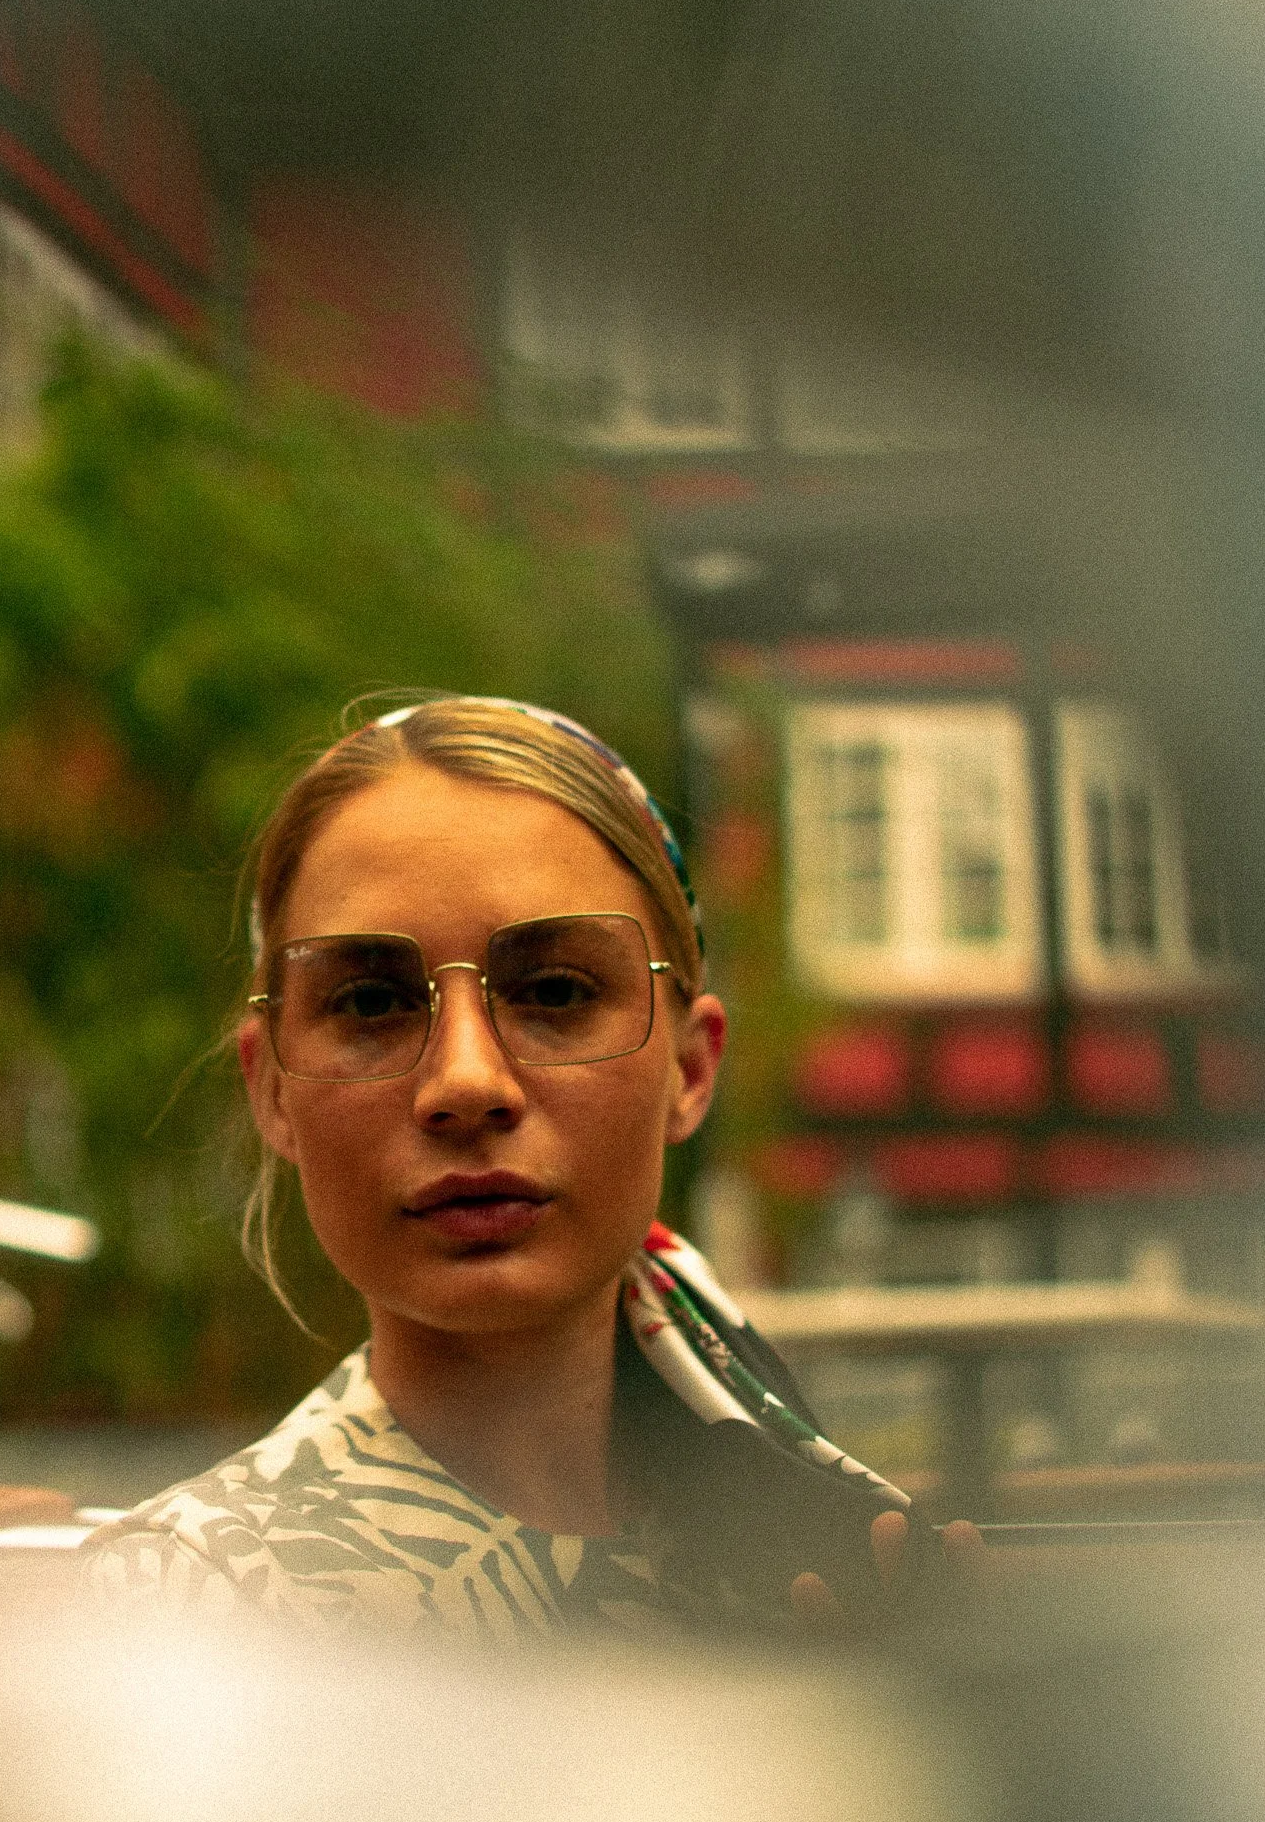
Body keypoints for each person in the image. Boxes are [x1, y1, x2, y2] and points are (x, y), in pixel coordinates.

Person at [86, 696, 978, 1641]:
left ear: (689, 1068)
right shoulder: (184, 1614)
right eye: (371, 1003)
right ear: (271, 1089)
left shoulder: (837, 1566)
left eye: (555, 991)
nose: (467, 1083)